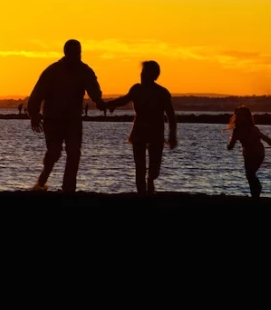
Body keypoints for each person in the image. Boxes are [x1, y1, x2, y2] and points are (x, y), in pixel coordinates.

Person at [27, 39, 106, 193]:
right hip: (52, 120)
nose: (77, 56)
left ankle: (68, 189)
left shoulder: (85, 71)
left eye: (79, 53)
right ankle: (42, 179)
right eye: (74, 53)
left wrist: (100, 101)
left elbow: (94, 91)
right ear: (66, 53)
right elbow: (36, 95)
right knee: (54, 153)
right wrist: (34, 115)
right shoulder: (52, 71)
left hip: (73, 121)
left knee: (74, 152)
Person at [105, 60, 177, 195]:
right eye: (142, 72)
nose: (142, 75)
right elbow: (124, 99)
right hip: (139, 131)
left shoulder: (162, 92)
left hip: (156, 132)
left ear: (154, 75)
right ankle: (142, 194)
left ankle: (150, 181)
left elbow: (171, 116)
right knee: (140, 167)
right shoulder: (137, 89)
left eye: (145, 73)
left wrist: (172, 135)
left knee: (154, 168)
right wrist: (109, 104)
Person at [226, 105, 271, 198]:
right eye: (238, 116)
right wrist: (229, 147)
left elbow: (266, 139)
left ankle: (257, 189)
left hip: (258, 153)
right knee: (249, 175)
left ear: (247, 117)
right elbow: (232, 144)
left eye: (242, 116)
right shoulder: (236, 131)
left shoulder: (253, 129)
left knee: (251, 174)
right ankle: (254, 195)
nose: (240, 118)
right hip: (247, 154)